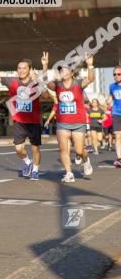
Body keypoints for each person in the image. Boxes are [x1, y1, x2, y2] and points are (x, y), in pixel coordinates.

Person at [0, 54, 45, 180]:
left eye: (24, 68)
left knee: (35, 148)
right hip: (19, 121)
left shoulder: (34, 82)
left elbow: (46, 96)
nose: (21, 70)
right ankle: (28, 163)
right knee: (19, 149)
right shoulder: (12, 81)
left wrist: (38, 81)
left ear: (29, 70)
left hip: (34, 121)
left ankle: (35, 170)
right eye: (19, 68)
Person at [43, 53, 94, 183]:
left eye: (65, 69)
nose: (62, 71)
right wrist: (45, 66)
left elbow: (90, 79)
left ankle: (86, 160)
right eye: (60, 70)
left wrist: (90, 65)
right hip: (62, 123)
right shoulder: (58, 85)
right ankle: (69, 173)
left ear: (71, 72)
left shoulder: (78, 84)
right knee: (63, 149)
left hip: (78, 122)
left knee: (78, 149)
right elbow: (46, 82)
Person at [108, 66, 121, 167]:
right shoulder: (112, 86)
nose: (116, 76)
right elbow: (111, 96)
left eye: (119, 74)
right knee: (117, 136)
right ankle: (119, 158)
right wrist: (108, 102)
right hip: (116, 113)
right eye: (114, 74)